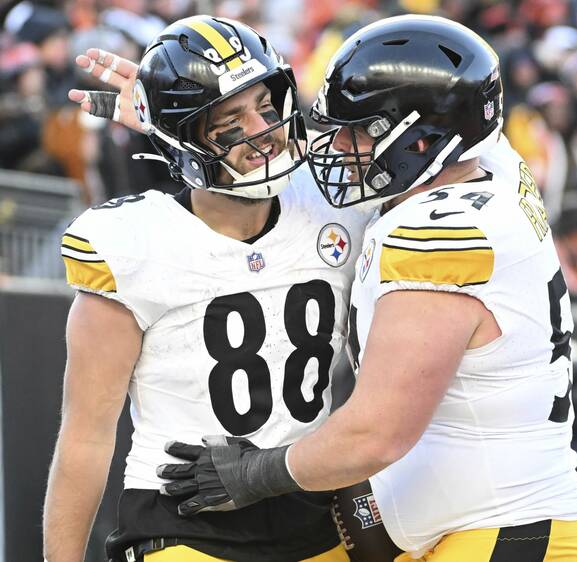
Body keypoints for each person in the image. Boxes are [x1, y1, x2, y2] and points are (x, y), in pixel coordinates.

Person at [157, 15, 577, 562]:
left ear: (421, 139)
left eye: (360, 129)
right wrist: (181, 117)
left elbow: (377, 433)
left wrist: (256, 473)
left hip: (508, 536)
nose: (338, 143)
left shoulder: (437, 233)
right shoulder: (490, 164)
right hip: (487, 531)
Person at [42, 15, 371, 562]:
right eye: (231, 120)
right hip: (184, 520)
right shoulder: (130, 243)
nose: (264, 131)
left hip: (310, 507)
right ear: (183, 138)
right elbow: (86, 435)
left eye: (267, 107)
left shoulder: (335, 204)